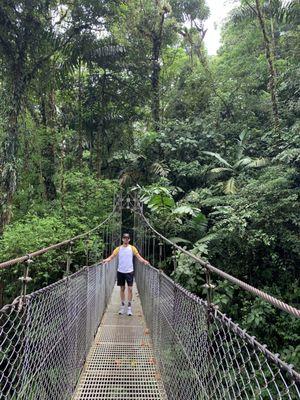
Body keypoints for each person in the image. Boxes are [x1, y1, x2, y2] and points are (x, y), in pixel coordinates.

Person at [102, 233, 150, 316]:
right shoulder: (118, 249)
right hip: (120, 271)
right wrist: (106, 260)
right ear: (122, 239)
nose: (126, 239)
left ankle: (129, 308)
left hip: (129, 271)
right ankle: (122, 306)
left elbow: (138, 257)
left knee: (130, 289)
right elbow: (112, 256)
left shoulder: (132, 248)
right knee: (122, 288)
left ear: (129, 239)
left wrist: (144, 261)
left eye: (127, 238)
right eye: (124, 238)